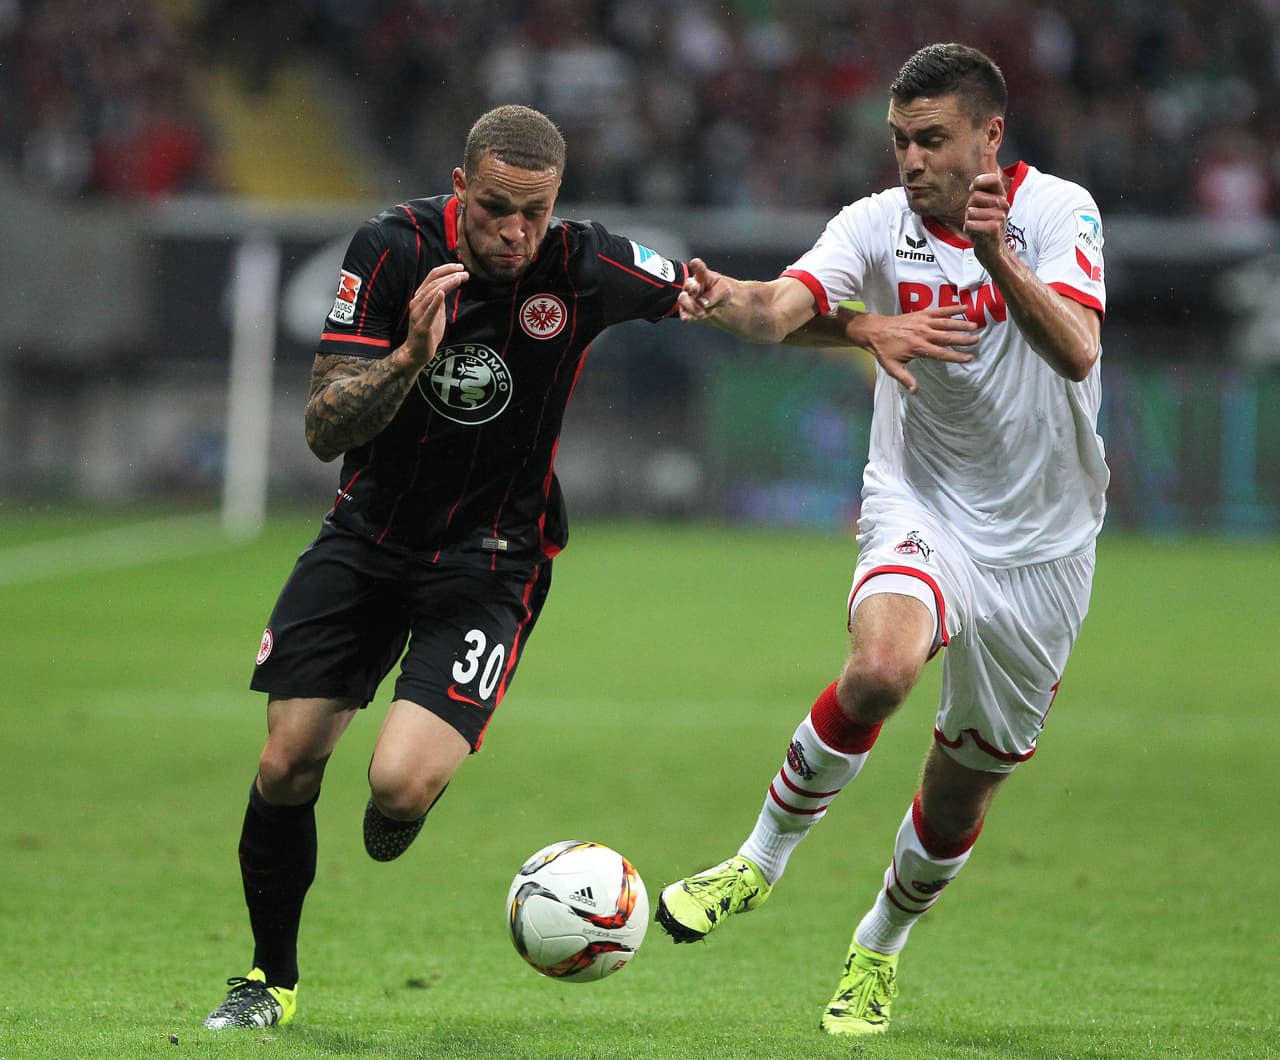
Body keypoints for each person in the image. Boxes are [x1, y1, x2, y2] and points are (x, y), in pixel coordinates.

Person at [202, 104, 690, 1030]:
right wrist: (409, 359)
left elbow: (724, 298)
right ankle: (268, 982)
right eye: (498, 208)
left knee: (396, 786)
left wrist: (861, 327)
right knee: (286, 760)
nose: (517, 232)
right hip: (367, 540)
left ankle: (406, 796)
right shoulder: (391, 249)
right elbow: (321, 428)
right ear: (461, 188)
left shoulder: (583, 264)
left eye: (536, 212)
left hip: (491, 560)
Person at [656, 42, 1108, 1037]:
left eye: (931, 139)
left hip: (1043, 546)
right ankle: (756, 860)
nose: (909, 160)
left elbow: (1076, 348)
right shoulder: (873, 225)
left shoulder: (1054, 211)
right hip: (922, 502)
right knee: (879, 669)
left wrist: (994, 257)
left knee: (958, 792)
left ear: (988, 136)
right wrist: (718, 295)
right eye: (899, 139)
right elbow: (778, 308)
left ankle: (876, 945)